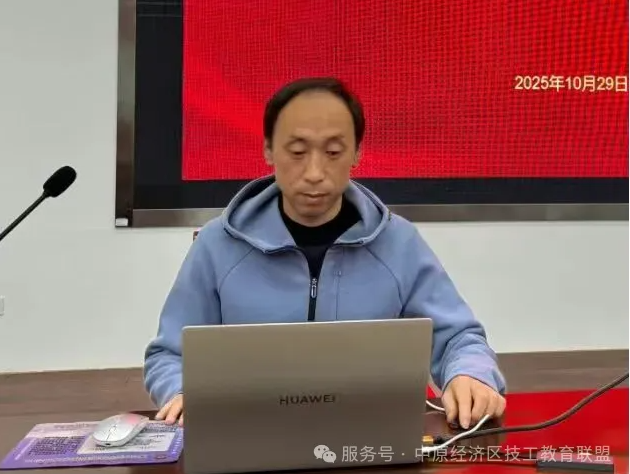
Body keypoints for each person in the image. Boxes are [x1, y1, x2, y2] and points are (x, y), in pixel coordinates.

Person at [143, 77, 506, 429]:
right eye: (297, 152)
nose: (315, 172)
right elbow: (170, 354)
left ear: (357, 153)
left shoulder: (399, 243)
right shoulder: (217, 244)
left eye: (333, 152)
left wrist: (470, 374)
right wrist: (180, 391)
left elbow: (459, 338)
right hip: (246, 439)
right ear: (268, 150)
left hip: (371, 440)